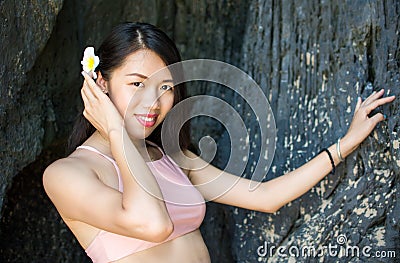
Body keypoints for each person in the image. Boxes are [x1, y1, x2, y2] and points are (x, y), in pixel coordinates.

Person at [43, 22, 396, 263]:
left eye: (166, 87)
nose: (153, 101)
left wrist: (346, 144)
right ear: (100, 83)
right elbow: (154, 225)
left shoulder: (171, 157)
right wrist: (116, 133)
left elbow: (267, 197)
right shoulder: (67, 175)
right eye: (137, 84)